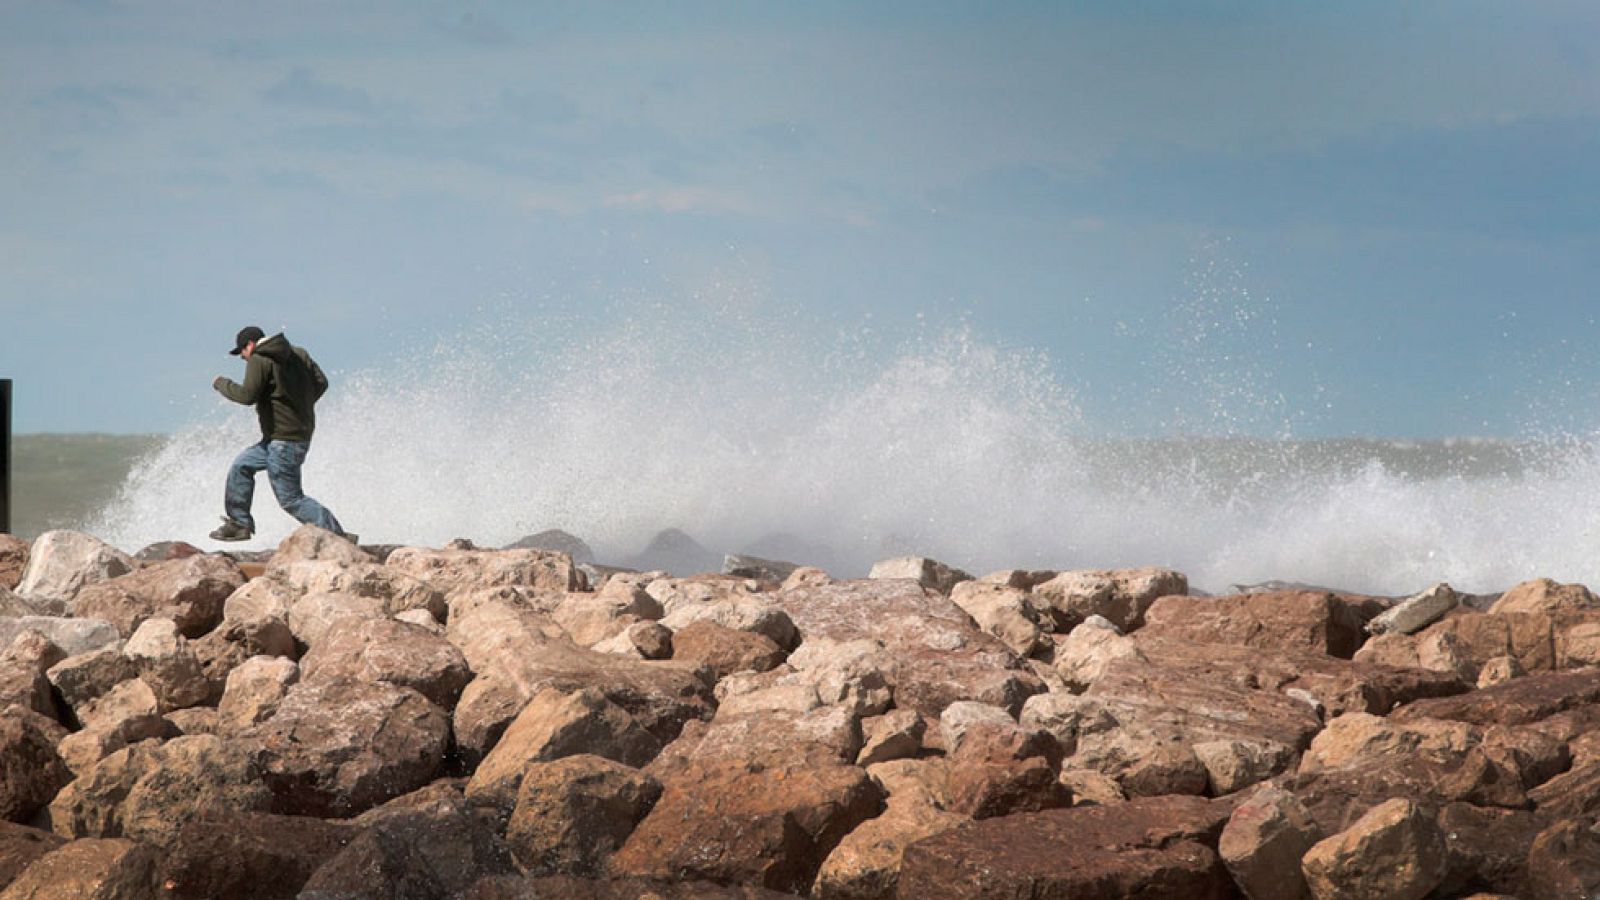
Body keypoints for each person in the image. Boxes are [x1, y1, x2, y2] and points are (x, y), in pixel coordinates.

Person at [209, 326, 355, 543]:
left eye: (241, 352)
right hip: (285, 438)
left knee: (291, 498)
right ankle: (239, 524)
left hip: (283, 441)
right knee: (241, 465)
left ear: (250, 344)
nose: (242, 357)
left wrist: (221, 383)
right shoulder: (299, 353)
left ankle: (338, 536)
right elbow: (321, 383)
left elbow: (247, 396)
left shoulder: (259, 359)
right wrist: (298, 407)